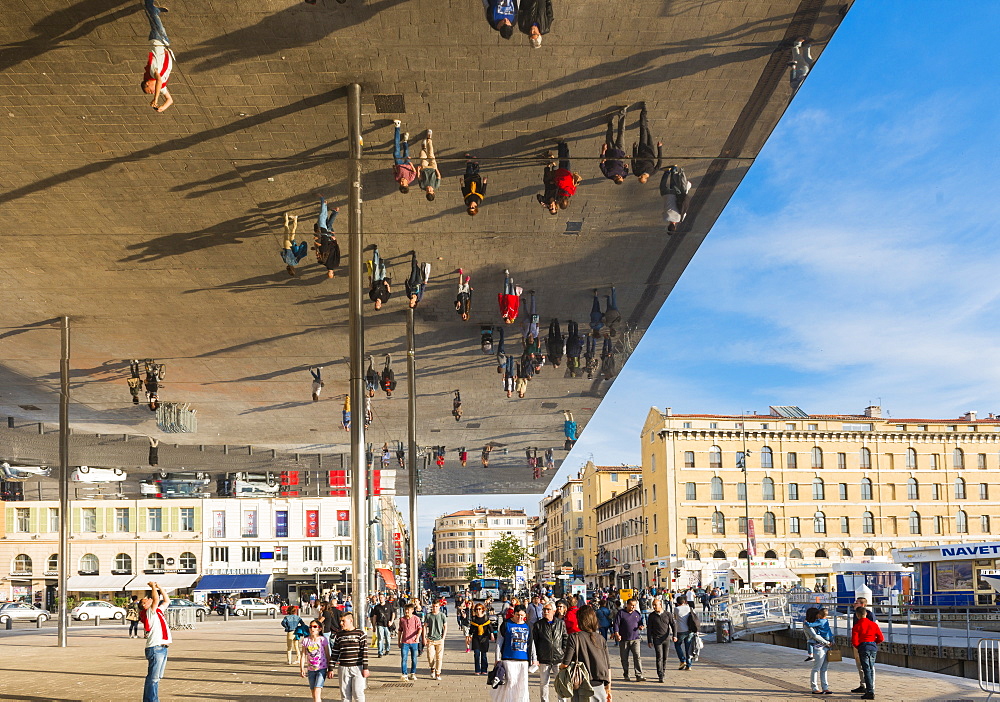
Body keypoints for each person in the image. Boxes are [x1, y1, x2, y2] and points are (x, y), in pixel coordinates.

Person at [561, 606, 611, 702]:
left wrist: (561, 669)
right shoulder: (601, 639)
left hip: (581, 685)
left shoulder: (574, 637)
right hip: (599, 686)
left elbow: (565, 663)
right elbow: (608, 667)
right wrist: (608, 689)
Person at [492, 606, 535, 702]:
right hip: (508, 659)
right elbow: (499, 642)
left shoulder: (528, 626)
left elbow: (531, 643)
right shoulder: (506, 624)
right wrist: (497, 658)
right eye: (517, 615)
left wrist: (534, 659)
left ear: (525, 615)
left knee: (522, 685)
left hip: (523, 660)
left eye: (522, 615)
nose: (519, 617)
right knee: (510, 683)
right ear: (513, 614)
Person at [138, 581, 171, 702]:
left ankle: (153, 699)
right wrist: (153, 587)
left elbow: (166, 601)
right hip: (155, 648)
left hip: (162, 647)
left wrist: (160, 587)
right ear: (145, 606)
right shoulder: (149, 613)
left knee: (157, 677)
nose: (148, 599)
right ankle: (150, 700)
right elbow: (156, 599)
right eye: (145, 600)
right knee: (153, 678)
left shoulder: (157, 612)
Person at [531, 600, 569, 702]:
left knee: (560, 682)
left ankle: (562, 701)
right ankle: (544, 700)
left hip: (558, 658)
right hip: (544, 658)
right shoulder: (538, 625)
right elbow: (534, 641)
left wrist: (563, 652)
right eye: (544, 609)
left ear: (554, 611)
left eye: (548, 609)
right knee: (544, 683)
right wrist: (536, 657)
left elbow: (565, 638)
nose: (545, 611)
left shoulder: (560, 623)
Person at [140, 0, 174, 113]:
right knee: (155, 21)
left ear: (148, 83)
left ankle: (150, 5)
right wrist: (162, 107)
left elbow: (158, 80)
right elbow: (170, 100)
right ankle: (155, 11)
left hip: (157, 39)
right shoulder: (162, 86)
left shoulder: (152, 72)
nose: (152, 92)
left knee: (155, 21)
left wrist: (156, 99)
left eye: (150, 91)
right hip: (164, 43)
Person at [330, 612, 369, 702]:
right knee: (345, 695)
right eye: (340, 621)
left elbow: (364, 652)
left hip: (357, 667)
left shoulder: (360, 633)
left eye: (343, 621)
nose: (341, 623)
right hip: (343, 667)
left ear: (350, 620)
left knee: (358, 692)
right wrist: (331, 668)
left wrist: (365, 668)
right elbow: (335, 652)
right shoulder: (339, 635)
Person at [852, 606, 883, 700]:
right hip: (873, 647)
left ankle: (870, 691)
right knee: (871, 668)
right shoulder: (873, 624)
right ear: (866, 614)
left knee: (866, 670)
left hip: (863, 647)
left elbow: (854, 641)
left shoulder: (857, 626)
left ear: (857, 615)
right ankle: (871, 688)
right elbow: (881, 638)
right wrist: (873, 643)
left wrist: (860, 646)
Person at [299, 619, 333, 702]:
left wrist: (330, 669)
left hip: (321, 669)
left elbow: (327, 654)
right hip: (311, 670)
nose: (312, 629)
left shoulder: (323, 639)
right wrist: (302, 668)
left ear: (320, 629)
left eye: (315, 627)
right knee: (313, 693)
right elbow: (303, 655)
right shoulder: (306, 640)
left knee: (317, 692)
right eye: (310, 627)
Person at [541, 142, 581, 212]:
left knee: (566, 160)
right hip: (562, 172)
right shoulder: (561, 188)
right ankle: (561, 145)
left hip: (569, 173)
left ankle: (565, 147)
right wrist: (555, 181)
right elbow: (559, 181)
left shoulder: (571, 193)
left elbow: (574, 186)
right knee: (562, 159)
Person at [613, 598, 645, 681]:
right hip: (624, 639)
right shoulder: (621, 613)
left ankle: (639, 675)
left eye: (634, 605)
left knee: (637, 657)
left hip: (635, 639)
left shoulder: (637, 613)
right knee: (624, 658)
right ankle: (626, 673)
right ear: (627, 605)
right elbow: (616, 624)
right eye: (631, 605)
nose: (633, 607)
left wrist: (641, 626)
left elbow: (640, 622)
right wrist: (617, 633)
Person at [803, 607, 833, 695]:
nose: (819, 615)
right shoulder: (807, 624)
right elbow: (814, 636)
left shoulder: (819, 622)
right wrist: (827, 642)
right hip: (817, 648)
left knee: (824, 669)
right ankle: (814, 687)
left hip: (826, 647)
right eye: (817, 614)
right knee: (816, 668)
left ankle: (825, 687)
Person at [851, 597, 877, 694]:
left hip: (866, 643)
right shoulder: (855, 615)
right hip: (858, 643)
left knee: (869, 666)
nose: (854, 604)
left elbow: (873, 630)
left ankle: (871, 685)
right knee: (859, 664)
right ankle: (863, 684)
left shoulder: (869, 615)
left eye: (856, 603)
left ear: (862, 605)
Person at [645, 597, 675, 683]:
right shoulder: (652, 616)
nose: (654, 607)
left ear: (660, 604)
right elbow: (649, 629)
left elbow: (673, 625)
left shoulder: (667, 614)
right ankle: (660, 674)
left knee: (665, 657)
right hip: (657, 639)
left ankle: (663, 671)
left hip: (666, 638)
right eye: (653, 605)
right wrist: (649, 640)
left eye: (655, 605)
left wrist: (674, 635)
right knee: (659, 656)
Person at [631, 104, 662, 183]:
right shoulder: (653, 172)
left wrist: (634, 149)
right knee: (648, 134)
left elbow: (633, 161)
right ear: (646, 178)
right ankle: (645, 121)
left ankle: (643, 112)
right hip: (650, 150)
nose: (640, 175)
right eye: (642, 177)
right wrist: (659, 148)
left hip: (641, 149)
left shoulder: (636, 172)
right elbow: (659, 161)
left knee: (643, 132)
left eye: (639, 177)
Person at [600, 108, 629, 184]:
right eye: (621, 177)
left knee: (609, 135)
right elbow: (626, 169)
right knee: (621, 133)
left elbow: (602, 163)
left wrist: (603, 150)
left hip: (610, 151)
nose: (620, 176)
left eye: (618, 177)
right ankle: (622, 113)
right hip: (620, 151)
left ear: (614, 179)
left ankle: (610, 120)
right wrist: (626, 166)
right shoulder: (624, 174)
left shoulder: (608, 174)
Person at [660, 165, 691, 232]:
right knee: (662, 185)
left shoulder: (680, 219)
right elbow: (663, 213)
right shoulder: (666, 218)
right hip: (666, 196)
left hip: (675, 196)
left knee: (673, 184)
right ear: (668, 226)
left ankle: (673, 170)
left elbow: (685, 211)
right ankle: (666, 172)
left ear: (675, 227)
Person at [467, 601, 496, 675]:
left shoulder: (486, 618)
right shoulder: (474, 619)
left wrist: (492, 635)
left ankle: (484, 669)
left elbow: (490, 627)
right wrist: (469, 637)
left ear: (483, 609)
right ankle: (477, 670)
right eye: (476, 609)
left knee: (483, 655)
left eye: (479, 609)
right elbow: (471, 629)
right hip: (476, 638)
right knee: (476, 654)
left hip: (484, 638)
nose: (478, 611)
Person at [672, 595, 700, 670]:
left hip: (680, 630)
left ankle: (682, 660)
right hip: (690, 630)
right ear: (684, 602)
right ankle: (689, 665)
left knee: (677, 645)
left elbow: (675, 618)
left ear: (677, 603)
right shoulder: (690, 608)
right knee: (688, 648)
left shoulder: (676, 609)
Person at [423, 601, 448, 680]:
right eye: (433, 606)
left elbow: (445, 626)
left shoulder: (442, 615)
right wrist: (424, 637)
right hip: (430, 639)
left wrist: (443, 637)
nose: (435, 608)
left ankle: (438, 673)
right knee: (430, 656)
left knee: (439, 657)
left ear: (439, 607)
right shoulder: (428, 615)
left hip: (439, 639)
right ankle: (432, 668)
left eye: (436, 606)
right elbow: (424, 626)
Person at [398, 603, 422, 680]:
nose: (407, 611)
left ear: (412, 610)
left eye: (408, 610)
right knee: (404, 658)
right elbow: (400, 630)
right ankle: (404, 674)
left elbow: (420, 628)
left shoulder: (416, 619)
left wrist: (417, 637)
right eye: (406, 610)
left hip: (414, 642)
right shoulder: (402, 619)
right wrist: (399, 641)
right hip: (404, 642)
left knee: (414, 658)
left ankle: (413, 673)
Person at [392, 120, 417, 193]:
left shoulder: (397, 179)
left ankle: (397, 127)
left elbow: (394, 173)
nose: (401, 182)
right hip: (407, 164)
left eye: (401, 184)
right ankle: (405, 141)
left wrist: (393, 168)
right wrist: (411, 164)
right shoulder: (411, 179)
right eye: (403, 183)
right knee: (406, 151)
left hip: (398, 163)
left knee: (396, 148)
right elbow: (414, 172)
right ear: (407, 185)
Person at [417, 130, 440, 200]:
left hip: (424, 168)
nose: (428, 189)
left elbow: (419, 177)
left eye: (427, 191)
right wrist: (436, 169)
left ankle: (423, 148)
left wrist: (418, 170)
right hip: (433, 168)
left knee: (422, 156)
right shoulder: (436, 185)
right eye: (430, 191)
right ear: (433, 192)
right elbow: (438, 176)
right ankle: (429, 139)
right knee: (431, 153)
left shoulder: (422, 186)